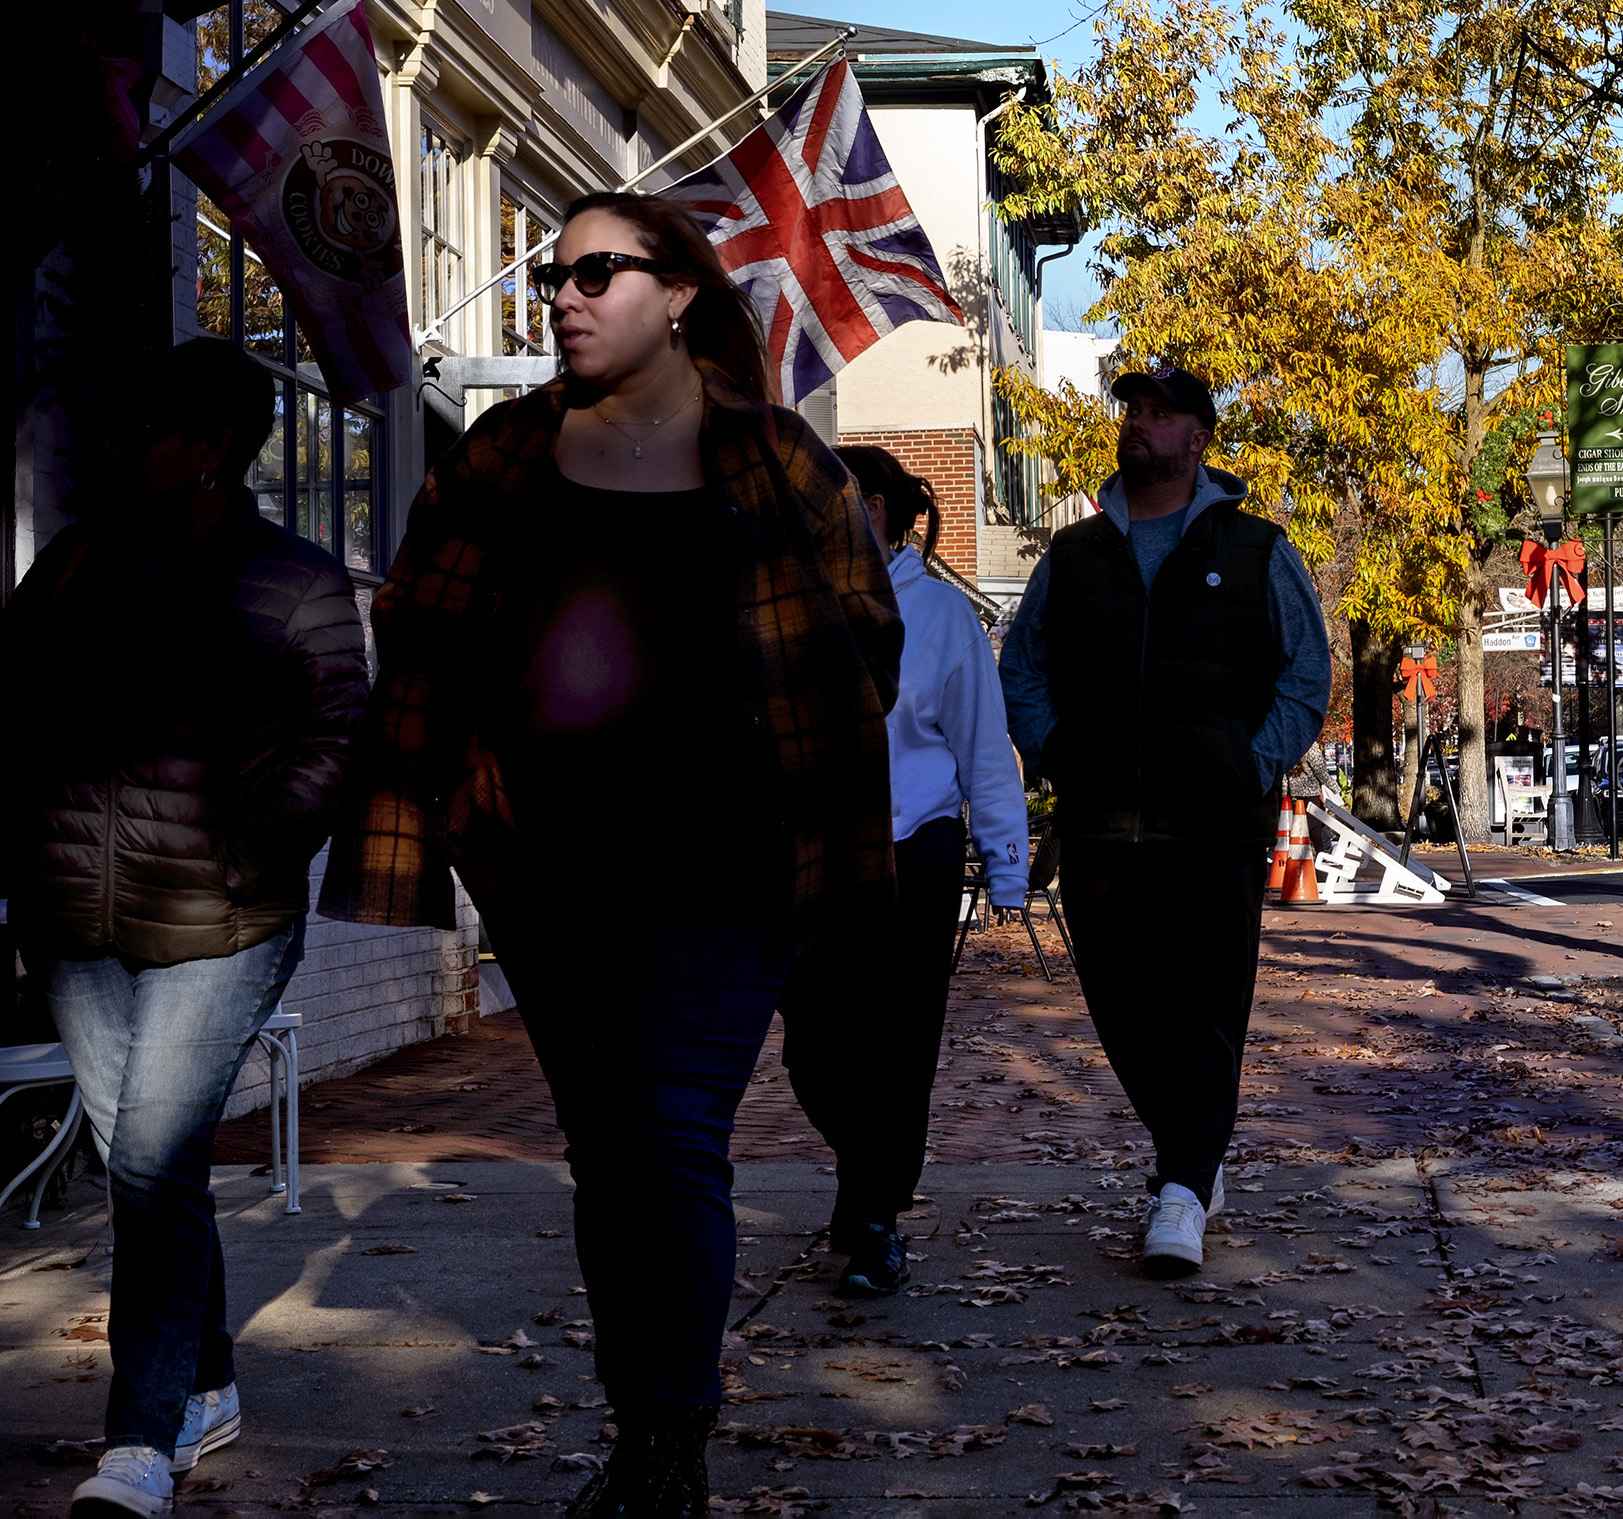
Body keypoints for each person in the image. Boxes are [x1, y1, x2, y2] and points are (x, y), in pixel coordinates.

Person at [325, 194, 900, 1519]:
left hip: (723, 875)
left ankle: (669, 1446)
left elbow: (869, 638)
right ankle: (644, 1415)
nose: (564, 296)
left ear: (681, 292)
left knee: (672, 1136)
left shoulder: (777, 458)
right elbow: (420, 632)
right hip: (548, 875)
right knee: (607, 1152)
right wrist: (465, 801)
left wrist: (775, 755)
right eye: (552, 276)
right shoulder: (501, 458)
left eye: (597, 271)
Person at [5, 339, 366, 1518]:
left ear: (209, 449)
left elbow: (331, 748)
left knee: (154, 1163)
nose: (120, 444)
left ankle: (140, 1441)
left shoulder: (298, 581)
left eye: (148, 426)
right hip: (78, 920)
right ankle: (204, 1377)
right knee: (142, 1167)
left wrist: (241, 844)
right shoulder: (70, 568)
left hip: (221, 920)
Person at [996, 365, 1330, 1277]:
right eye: (1131, 409)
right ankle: (1199, 1154)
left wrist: (1247, 764)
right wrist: (1057, 749)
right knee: (1123, 1012)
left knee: (1205, 1013)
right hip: (1101, 828)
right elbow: (1021, 668)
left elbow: (1308, 676)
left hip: (1214, 828)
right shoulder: (1072, 555)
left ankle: (1178, 1190)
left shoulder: (1259, 549)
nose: (1138, 422)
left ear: (1198, 437)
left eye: (1159, 412)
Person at [779, 446, 1027, 1297]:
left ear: (877, 508)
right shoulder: (795, 602)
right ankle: (868, 1181)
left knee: (899, 1046)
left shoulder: (943, 617)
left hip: (913, 853)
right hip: (811, 857)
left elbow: (982, 748)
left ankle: (875, 1220)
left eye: (835, 502)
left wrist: (1007, 869)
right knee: (810, 1046)